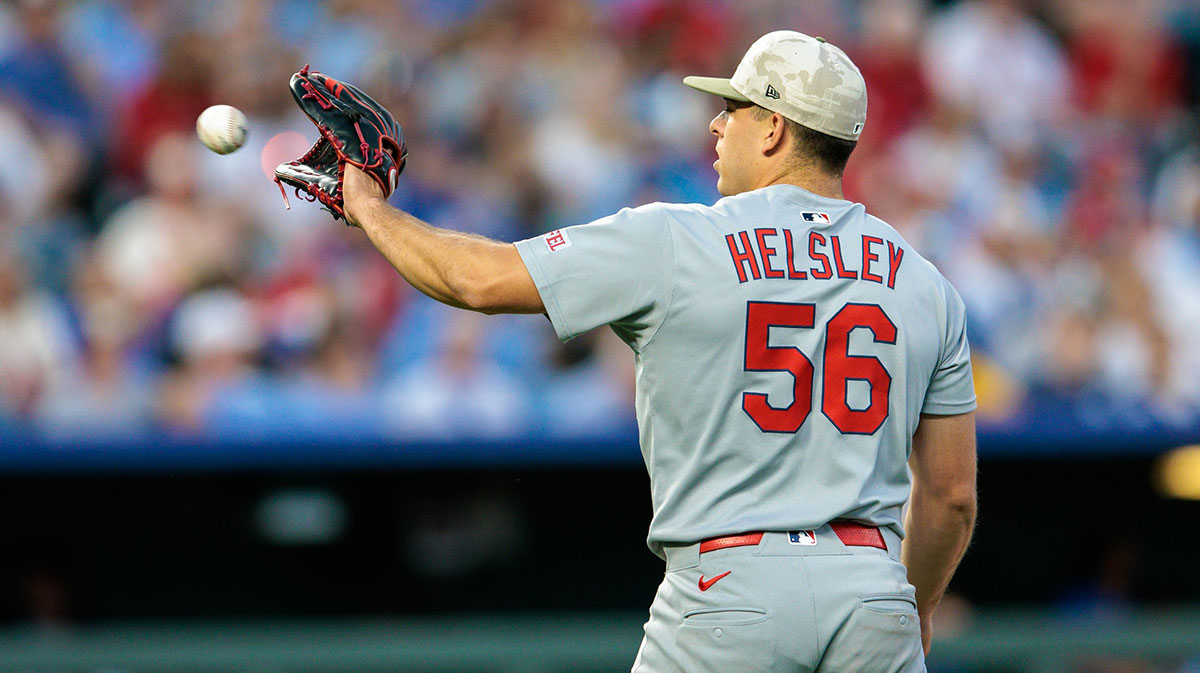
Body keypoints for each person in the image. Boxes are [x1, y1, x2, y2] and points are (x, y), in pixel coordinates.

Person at [342, 30, 977, 673]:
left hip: (731, 587)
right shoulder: (926, 283)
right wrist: (913, 606)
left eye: (734, 108)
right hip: (872, 592)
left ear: (773, 129)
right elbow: (952, 497)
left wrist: (368, 205)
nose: (715, 123)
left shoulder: (677, 239)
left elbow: (473, 280)